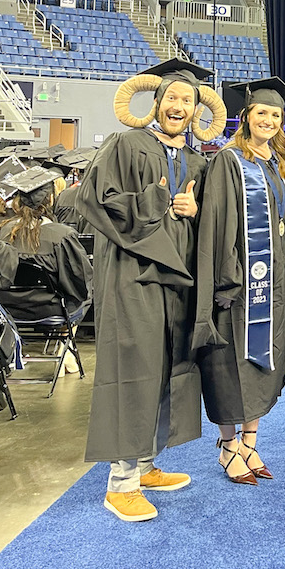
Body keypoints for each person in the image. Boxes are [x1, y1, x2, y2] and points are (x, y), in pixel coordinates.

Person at [77, 59, 227, 522]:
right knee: (134, 371)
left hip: (179, 280)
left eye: (187, 100)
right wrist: (156, 201)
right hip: (132, 279)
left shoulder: (200, 161)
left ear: (197, 110)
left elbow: (212, 226)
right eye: (171, 99)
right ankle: (119, 484)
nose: (178, 106)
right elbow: (92, 201)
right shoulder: (126, 145)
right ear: (155, 104)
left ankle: (144, 465)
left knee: (166, 369)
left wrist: (196, 208)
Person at [193, 77, 285, 484]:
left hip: (274, 287)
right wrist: (227, 278)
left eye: (275, 114)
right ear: (246, 117)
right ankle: (227, 446)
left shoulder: (276, 165)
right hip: (237, 288)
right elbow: (218, 224)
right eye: (262, 113)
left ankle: (250, 443)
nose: (269, 120)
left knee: (262, 366)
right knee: (228, 366)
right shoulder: (228, 160)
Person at [0, 165, 92, 323]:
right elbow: (78, 283)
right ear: (51, 199)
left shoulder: (5, 232)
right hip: (49, 310)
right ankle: (63, 346)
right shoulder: (62, 235)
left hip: (8, 309)